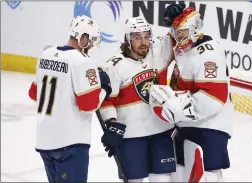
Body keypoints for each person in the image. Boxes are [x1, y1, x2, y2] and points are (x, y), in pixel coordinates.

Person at [149, 5, 234, 182]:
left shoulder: (208, 54)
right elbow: (159, 53)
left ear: (194, 29)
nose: (177, 36)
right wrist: (177, 17)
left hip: (211, 125)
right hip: (189, 124)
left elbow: (214, 97)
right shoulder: (185, 47)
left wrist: (176, 106)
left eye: (181, 32)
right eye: (174, 31)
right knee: (182, 173)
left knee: (209, 174)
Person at [28, 15, 112, 183]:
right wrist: (103, 88)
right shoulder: (82, 61)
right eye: (91, 41)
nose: (91, 46)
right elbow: (88, 105)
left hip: (45, 142)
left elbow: (33, 93)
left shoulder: (46, 54)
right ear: (84, 38)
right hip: (70, 144)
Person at [99, 16, 179, 182]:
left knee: (163, 180)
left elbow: (180, 34)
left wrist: (178, 16)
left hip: (161, 131)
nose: (143, 42)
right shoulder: (115, 66)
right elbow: (107, 100)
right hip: (131, 136)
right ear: (127, 40)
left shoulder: (158, 51)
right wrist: (112, 123)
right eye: (137, 37)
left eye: (146, 36)